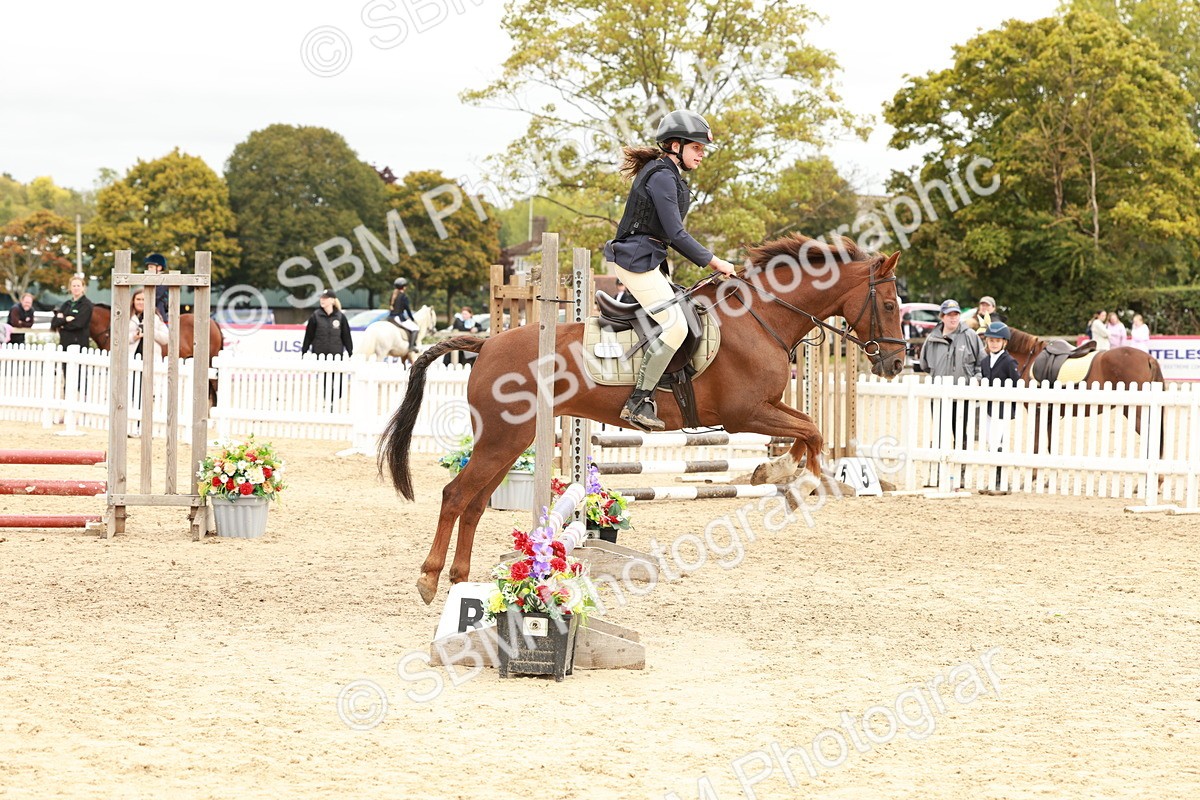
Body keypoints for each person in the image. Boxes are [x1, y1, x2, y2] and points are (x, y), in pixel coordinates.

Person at [602, 109, 737, 431]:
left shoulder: (670, 175)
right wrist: (714, 261)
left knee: (688, 315)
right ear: (675, 145)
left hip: (649, 259)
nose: (702, 155)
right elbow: (676, 234)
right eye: (697, 148)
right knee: (675, 326)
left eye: (702, 149)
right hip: (636, 260)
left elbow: (670, 236)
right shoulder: (661, 175)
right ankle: (638, 400)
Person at [919, 299, 983, 461]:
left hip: (962, 395)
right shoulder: (932, 338)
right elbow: (924, 364)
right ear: (942, 317)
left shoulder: (971, 336)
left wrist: (976, 378)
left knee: (961, 433)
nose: (953, 318)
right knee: (940, 432)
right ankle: (940, 466)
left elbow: (982, 363)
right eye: (949, 315)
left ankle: (961, 467)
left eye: (956, 315)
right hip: (939, 394)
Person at [980, 321, 1020, 492]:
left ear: (1004, 342)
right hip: (988, 409)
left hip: (1002, 409)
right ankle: (995, 479)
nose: (994, 344)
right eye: (991, 340)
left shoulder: (1009, 362)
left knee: (999, 443)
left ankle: (1002, 480)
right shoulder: (984, 361)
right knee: (991, 443)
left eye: (997, 341)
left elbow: (1016, 384)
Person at [301, 289, 354, 357]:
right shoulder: (315, 316)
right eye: (321, 298)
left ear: (332, 300)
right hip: (318, 355)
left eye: (325, 298)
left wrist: (350, 352)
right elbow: (308, 336)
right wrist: (304, 351)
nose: (322, 300)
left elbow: (346, 336)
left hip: (336, 356)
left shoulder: (340, 317)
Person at [51, 276, 94, 350]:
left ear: (83, 288)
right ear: (70, 288)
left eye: (78, 286)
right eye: (74, 286)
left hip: (79, 345)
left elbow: (78, 324)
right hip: (64, 344)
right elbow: (54, 323)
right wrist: (66, 319)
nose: (76, 288)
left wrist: (62, 326)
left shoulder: (86, 305)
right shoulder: (67, 304)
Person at [129, 288, 169, 358]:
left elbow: (166, 338)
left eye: (144, 299)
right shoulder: (127, 318)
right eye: (138, 299)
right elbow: (118, 338)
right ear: (133, 301)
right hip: (131, 359)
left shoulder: (156, 318)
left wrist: (151, 331)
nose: (141, 302)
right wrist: (134, 336)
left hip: (152, 359)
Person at [388, 277, 419, 351]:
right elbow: (407, 309)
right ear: (404, 287)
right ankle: (411, 347)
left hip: (390, 318)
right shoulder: (404, 296)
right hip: (398, 318)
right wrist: (412, 319)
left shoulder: (393, 295)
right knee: (416, 328)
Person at [143, 253, 173, 323]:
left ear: (159, 268)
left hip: (161, 312)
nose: (148, 269)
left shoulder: (163, 280)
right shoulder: (151, 280)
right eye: (148, 267)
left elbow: (156, 296)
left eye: (151, 267)